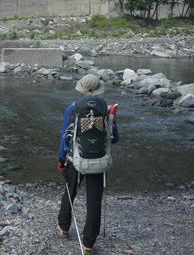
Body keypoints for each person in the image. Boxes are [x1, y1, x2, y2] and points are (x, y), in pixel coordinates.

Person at [56, 74, 119, 255]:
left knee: (70, 191)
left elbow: (65, 137)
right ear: (98, 89)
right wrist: (113, 119)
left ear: (82, 90)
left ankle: (63, 227)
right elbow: (114, 139)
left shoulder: (73, 109)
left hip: (75, 160)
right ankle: (88, 244)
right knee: (94, 201)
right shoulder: (106, 109)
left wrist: (61, 159)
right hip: (99, 161)